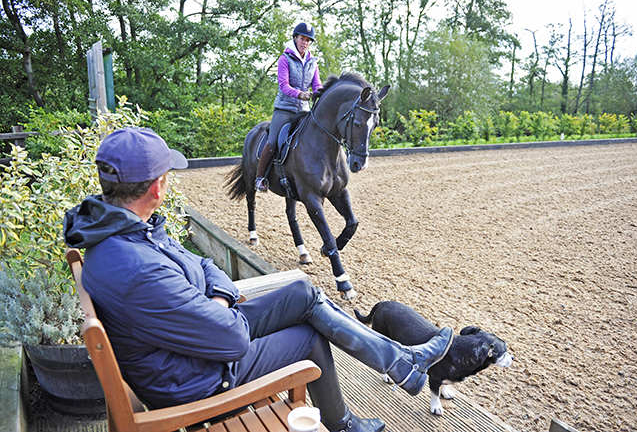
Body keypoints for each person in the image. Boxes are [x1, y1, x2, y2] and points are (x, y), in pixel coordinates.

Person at [63, 128, 454, 432]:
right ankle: (347, 421)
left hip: (186, 343)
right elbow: (230, 339)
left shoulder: (123, 231)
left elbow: (201, 265)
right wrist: (220, 301)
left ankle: (402, 363)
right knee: (308, 336)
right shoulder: (137, 267)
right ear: (156, 187)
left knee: (302, 291)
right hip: (194, 378)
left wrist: (216, 292)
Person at [255, 22, 323, 192]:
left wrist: (323, 94)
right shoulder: (284, 59)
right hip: (284, 109)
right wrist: (300, 94)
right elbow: (283, 85)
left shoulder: (313, 62)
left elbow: (317, 85)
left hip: (303, 110)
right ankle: (260, 177)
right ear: (295, 38)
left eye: (308, 40)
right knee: (273, 142)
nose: (305, 42)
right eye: (302, 38)